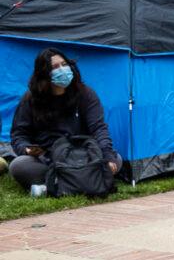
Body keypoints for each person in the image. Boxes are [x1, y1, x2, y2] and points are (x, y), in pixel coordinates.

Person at [9, 49, 121, 191]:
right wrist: (26, 149)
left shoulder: (86, 94)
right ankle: (86, 180)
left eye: (64, 64)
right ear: (44, 74)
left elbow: (99, 128)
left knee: (116, 158)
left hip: (81, 155)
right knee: (18, 166)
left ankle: (55, 184)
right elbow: (19, 134)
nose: (62, 70)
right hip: (48, 158)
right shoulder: (30, 99)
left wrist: (108, 156)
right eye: (55, 67)